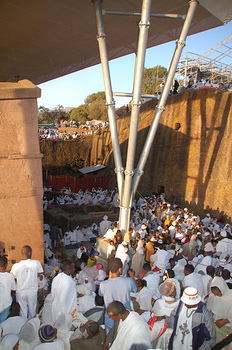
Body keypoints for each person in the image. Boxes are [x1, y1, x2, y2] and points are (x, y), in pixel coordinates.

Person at [99, 258, 137, 331]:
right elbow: (135, 289)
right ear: (120, 270)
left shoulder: (103, 284)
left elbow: (101, 294)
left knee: (110, 339)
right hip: (124, 318)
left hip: (110, 319)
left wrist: (109, 278)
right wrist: (132, 276)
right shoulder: (128, 281)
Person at [10, 245, 43, 319]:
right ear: (28, 253)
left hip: (20, 291)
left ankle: (23, 327)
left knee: (22, 312)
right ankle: (32, 327)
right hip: (32, 291)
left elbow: (13, 278)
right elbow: (39, 273)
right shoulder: (36, 263)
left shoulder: (16, 266)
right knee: (32, 311)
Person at [207, 276, 232, 343]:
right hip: (215, 327)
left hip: (228, 328)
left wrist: (226, 320)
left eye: (218, 294)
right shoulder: (213, 296)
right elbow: (209, 308)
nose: (216, 296)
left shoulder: (230, 297)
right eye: (214, 294)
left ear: (222, 290)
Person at [0, 256, 16, 322]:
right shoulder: (10, 276)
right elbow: (13, 289)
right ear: (6, 265)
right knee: (3, 324)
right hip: (7, 304)